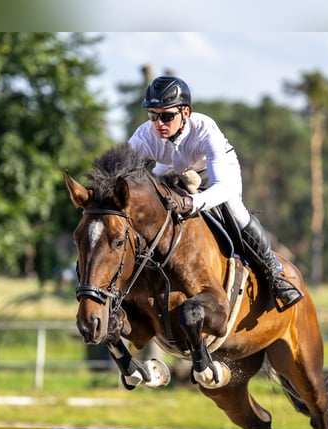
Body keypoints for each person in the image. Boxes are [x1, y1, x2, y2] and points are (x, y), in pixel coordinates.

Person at [127, 75, 303, 311]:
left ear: (185, 113)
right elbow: (123, 181)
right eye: (153, 115)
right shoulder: (143, 137)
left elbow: (222, 188)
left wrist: (191, 202)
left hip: (214, 173)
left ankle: (274, 274)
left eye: (167, 116)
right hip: (170, 169)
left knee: (235, 210)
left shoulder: (205, 130)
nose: (159, 123)